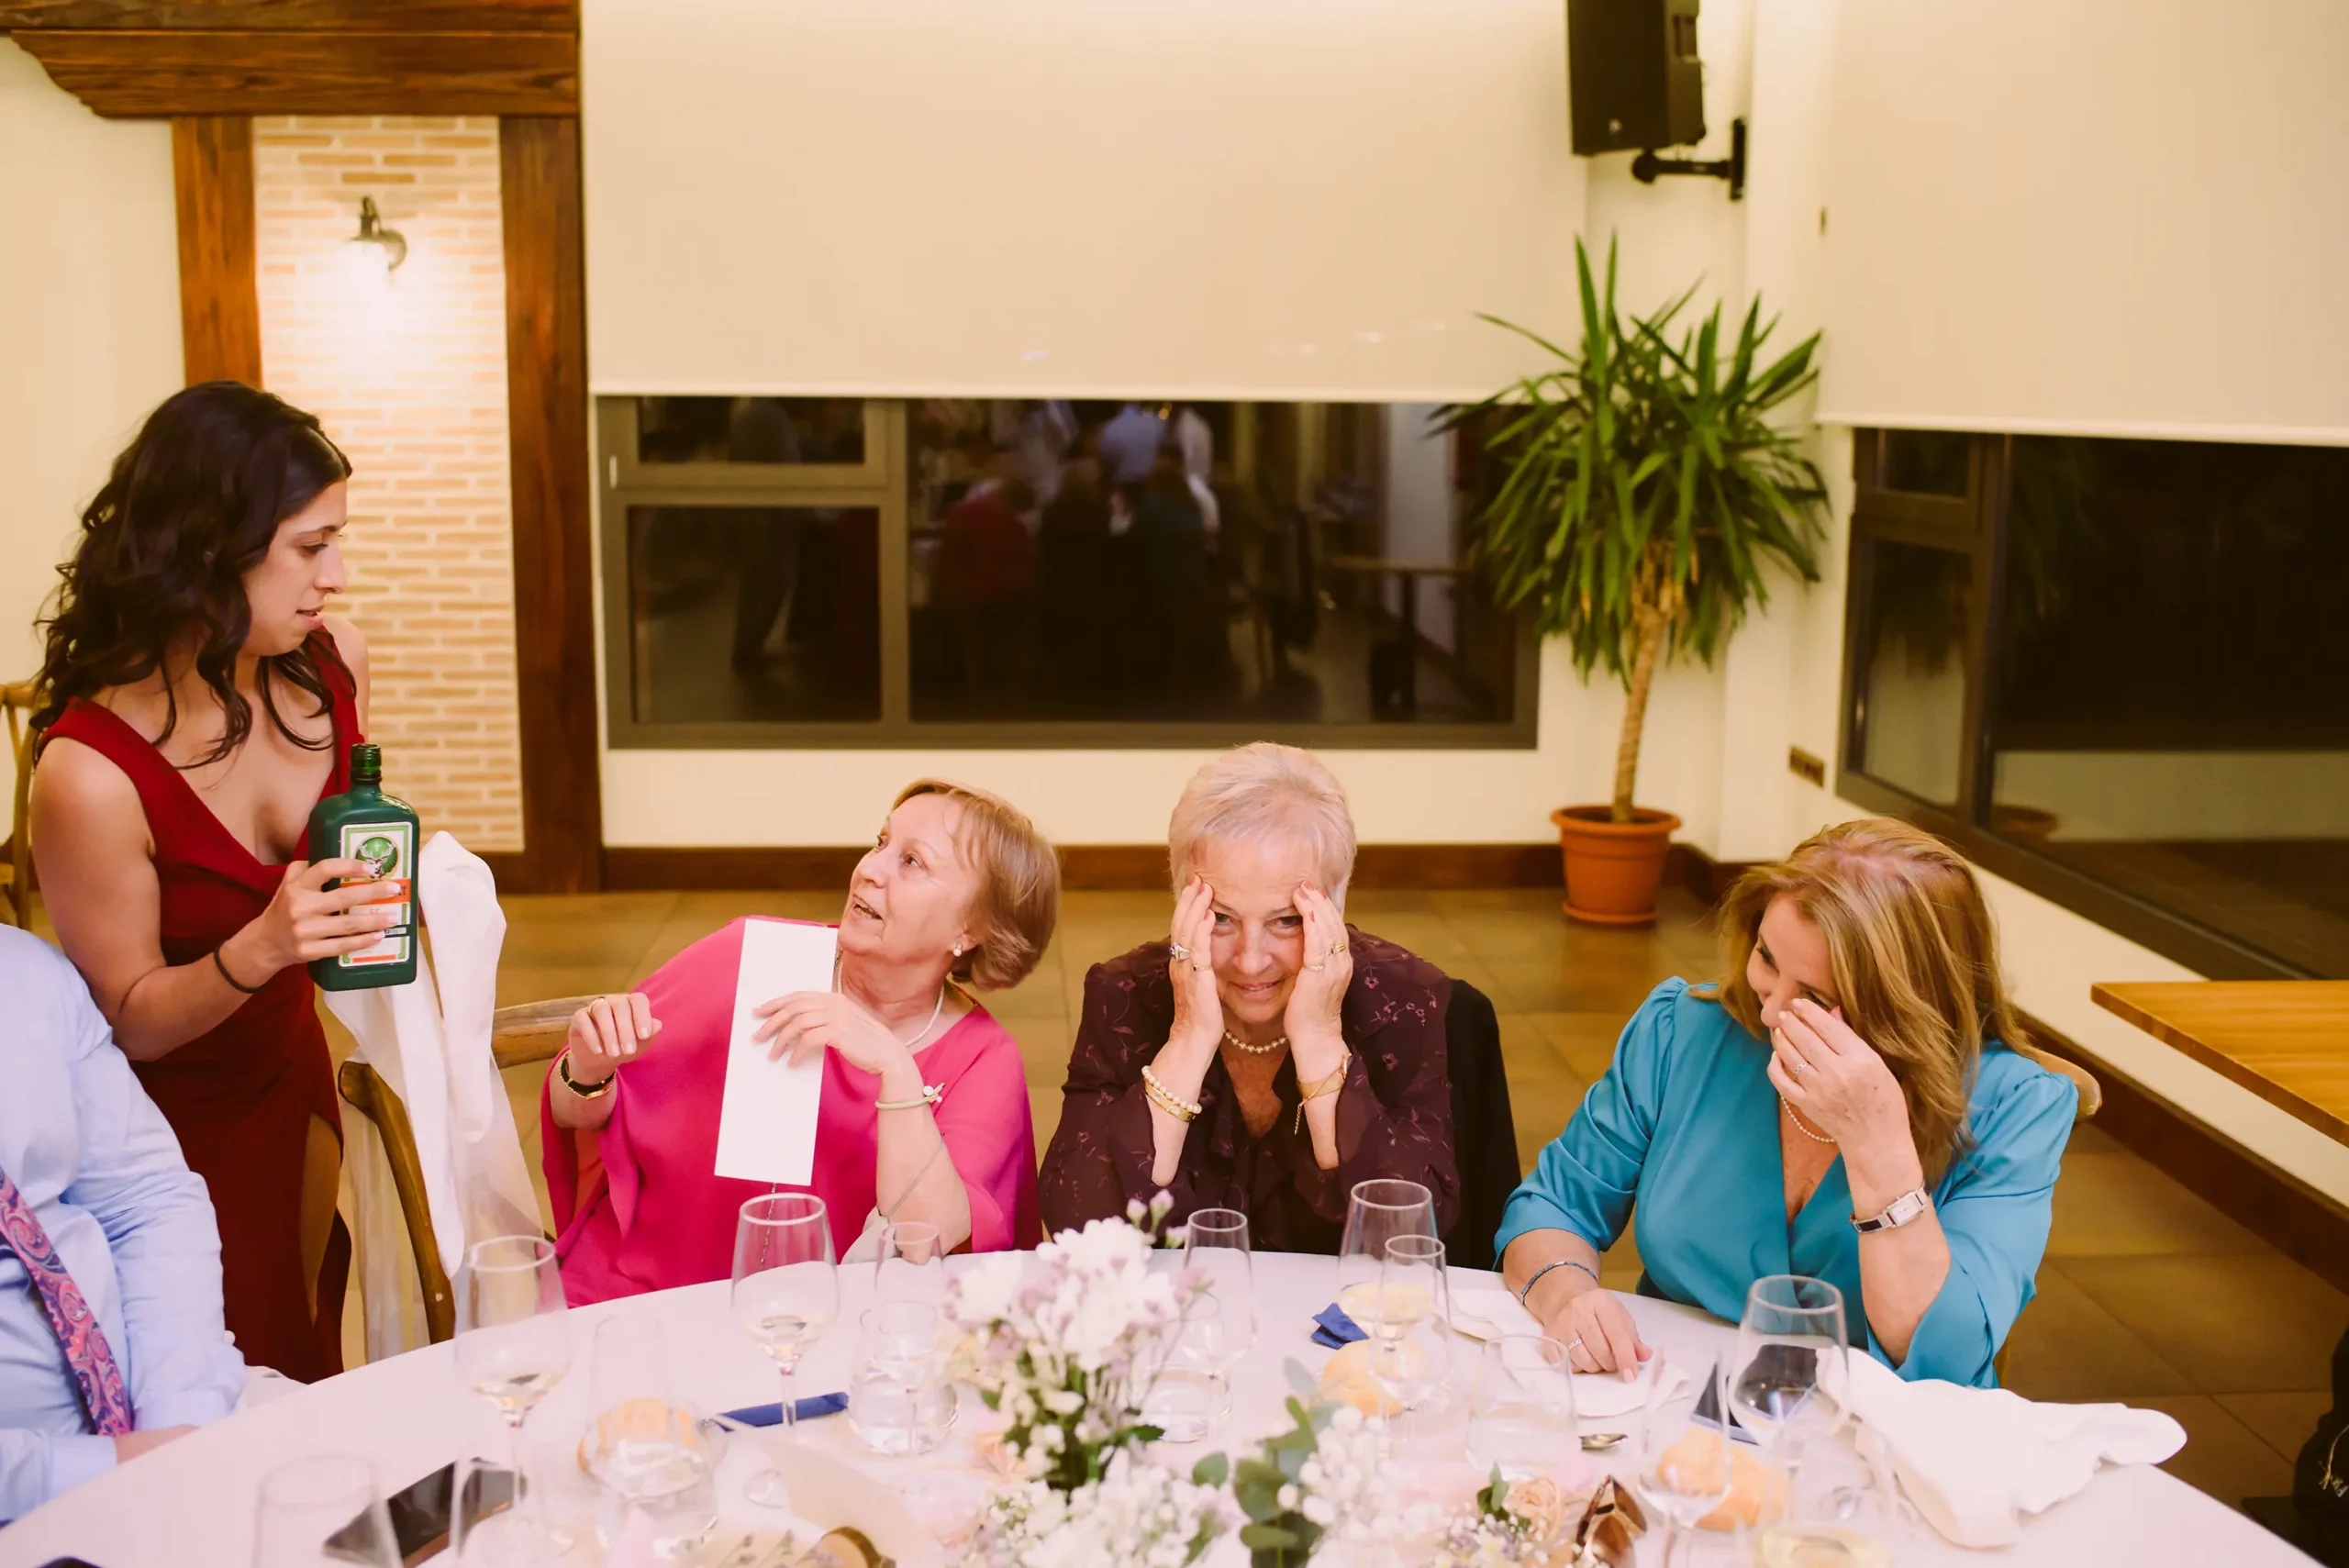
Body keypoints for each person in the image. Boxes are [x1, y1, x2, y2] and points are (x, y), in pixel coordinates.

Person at [28, 382, 391, 1384]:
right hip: (170, 1140)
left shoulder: (333, 666)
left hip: (295, 1075)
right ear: (206, 549)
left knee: (311, 1343)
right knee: (208, 1383)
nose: (336, 577)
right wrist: (262, 945)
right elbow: (132, 1022)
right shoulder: (89, 775)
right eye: (310, 548)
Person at [1498, 818, 2078, 1389]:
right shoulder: (1685, 1030)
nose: (1771, 1012)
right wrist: (1567, 1295)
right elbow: (1552, 1208)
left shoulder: (2015, 1106)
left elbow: (1947, 1360)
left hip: (1879, 1431)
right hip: (1675, 1400)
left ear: (1908, 1008)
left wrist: (1876, 1145)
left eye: (1816, 999)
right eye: (1768, 959)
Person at [543, 781, 1058, 1303]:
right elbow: (572, 1110)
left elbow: (931, 1239)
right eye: (880, 843)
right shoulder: (755, 958)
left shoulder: (983, 1060)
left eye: (911, 862)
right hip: (645, 1294)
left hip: (836, 1323)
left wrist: (895, 1068)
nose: (870, 869)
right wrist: (587, 1070)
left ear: (971, 929)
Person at [1038, 743, 1458, 1251]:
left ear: (1337, 901)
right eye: (1220, 918)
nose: (1250, 960)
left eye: (1286, 921)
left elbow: (1411, 1234)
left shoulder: (1403, 999)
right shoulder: (1124, 995)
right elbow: (1079, 1227)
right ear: (1181, 901)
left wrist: (1320, 1040)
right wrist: (1188, 1037)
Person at [2, 927, 247, 1523]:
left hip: (150, 1418)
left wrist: (179, 1416)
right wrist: (96, 1470)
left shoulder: (24, 970)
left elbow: (145, 1199)